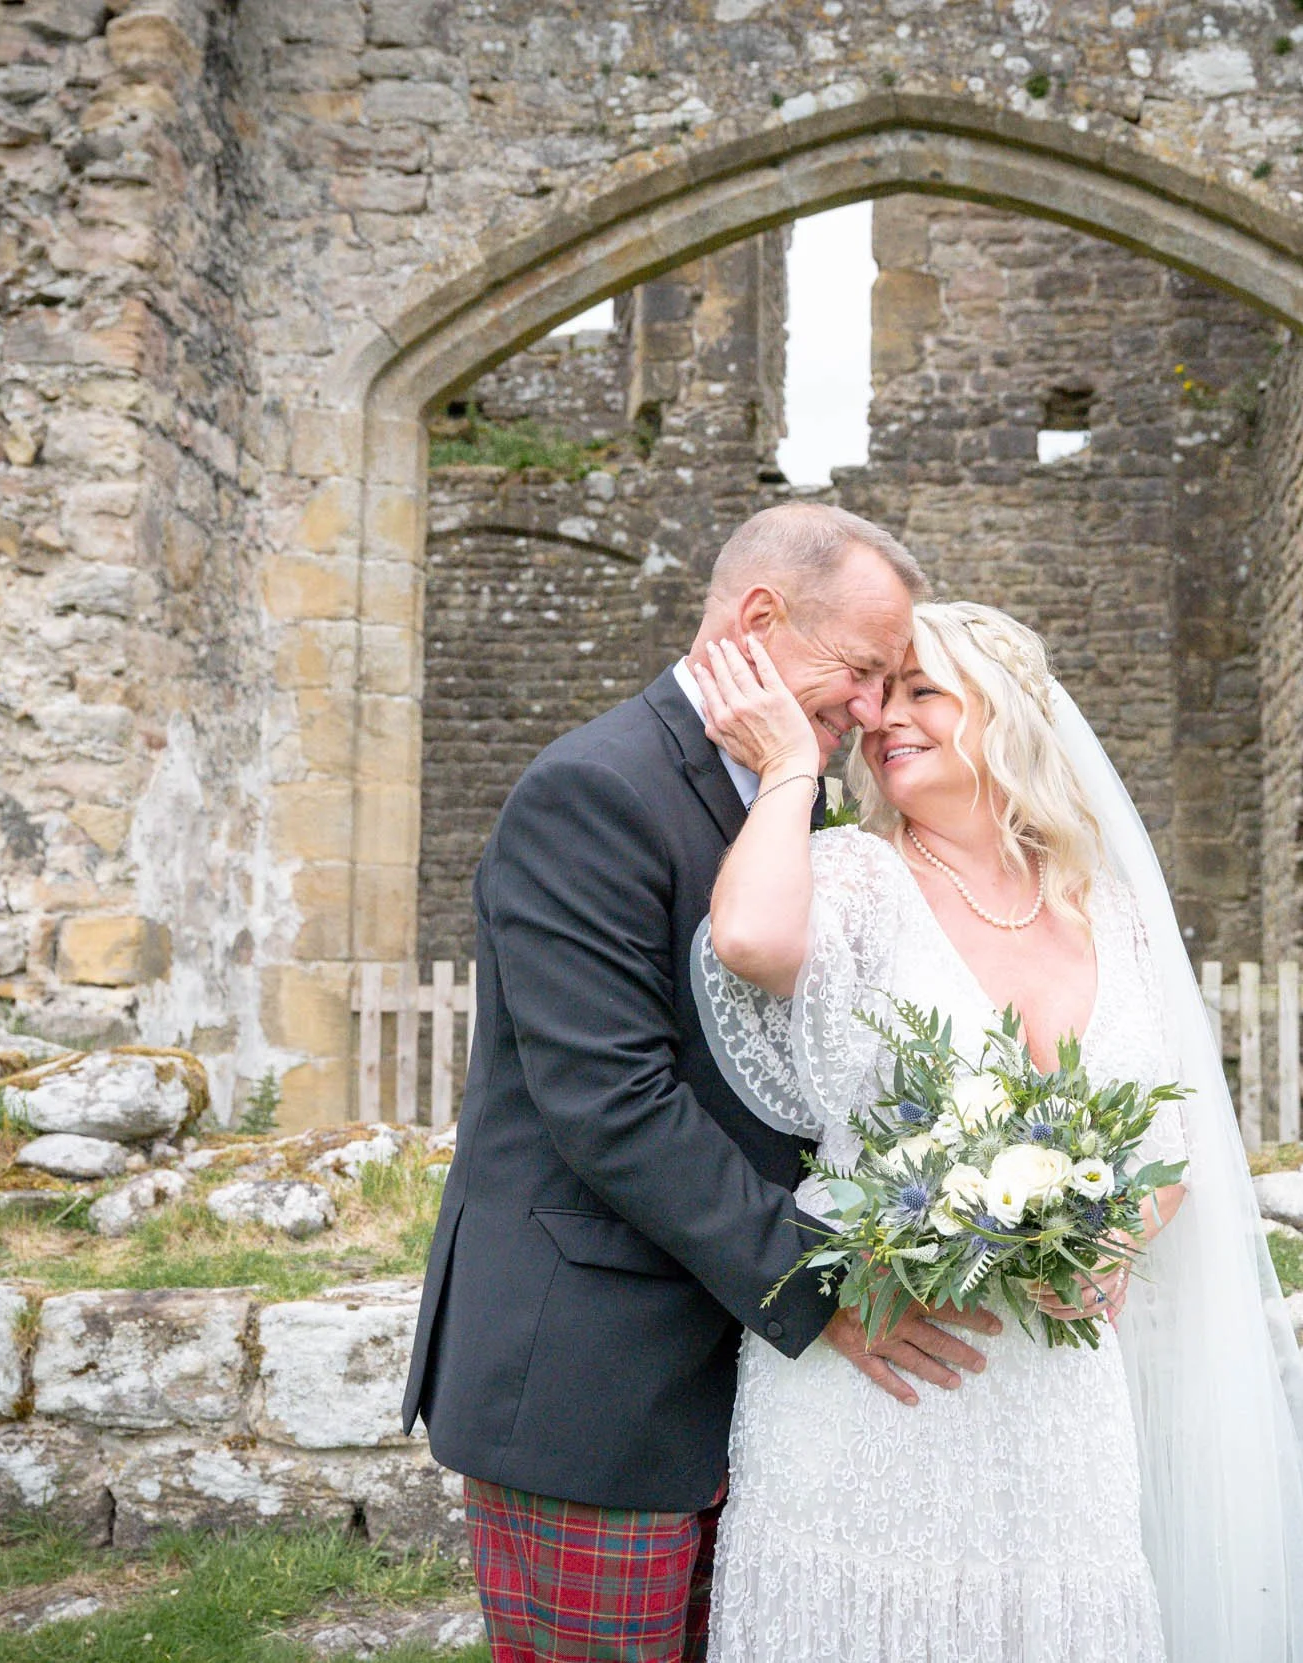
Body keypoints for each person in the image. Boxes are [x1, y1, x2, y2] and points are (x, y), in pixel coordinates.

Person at [689, 601, 1303, 1662]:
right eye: (880, 694)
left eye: (922, 691)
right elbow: (747, 937)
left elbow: (1174, 1134)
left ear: (1005, 714)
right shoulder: (857, 875)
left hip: (1057, 1388)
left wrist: (1115, 1237)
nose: (883, 717)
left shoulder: (1111, 911)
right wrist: (788, 772)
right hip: (878, 1367)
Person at [400, 504, 1002, 1663]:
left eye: (891, 684)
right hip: (595, 1378)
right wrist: (826, 1290)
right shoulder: (593, 789)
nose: (871, 710)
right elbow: (609, 1104)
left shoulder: (792, 793)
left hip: (748, 1388)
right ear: (761, 618)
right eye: (861, 670)